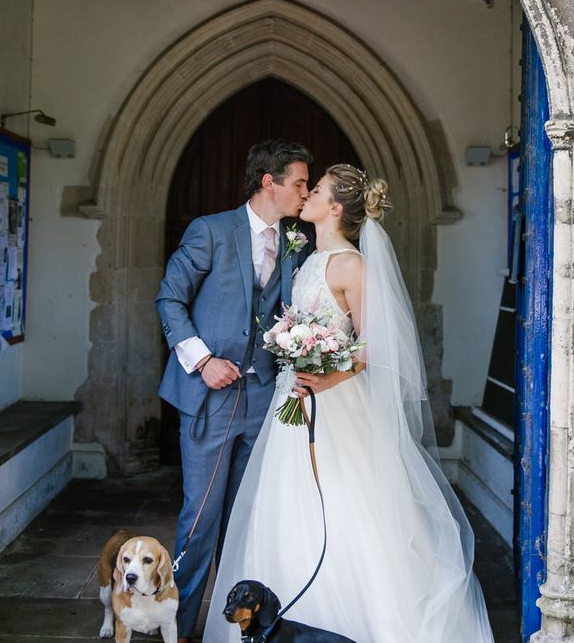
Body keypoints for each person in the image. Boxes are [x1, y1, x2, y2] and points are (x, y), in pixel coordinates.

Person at [205, 165, 495, 642]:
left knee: (345, 506)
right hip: (293, 401)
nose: (306, 196)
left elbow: (371, 344)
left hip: (334, 404)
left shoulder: (350, 264)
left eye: (314, 190)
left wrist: (326, 380)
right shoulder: (308, 256)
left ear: (335, 208)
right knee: (282, 502)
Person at [156, 138, 314, 642]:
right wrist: (201, 360)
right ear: (269, 182)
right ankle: (178, 630)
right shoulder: (211, 231)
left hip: (266, 401)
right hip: (209, 398)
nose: (304, 193)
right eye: (299, 183)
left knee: (248, 520)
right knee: (199, 521)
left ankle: (240, 632)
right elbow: (169, 299)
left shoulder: (298, 241)